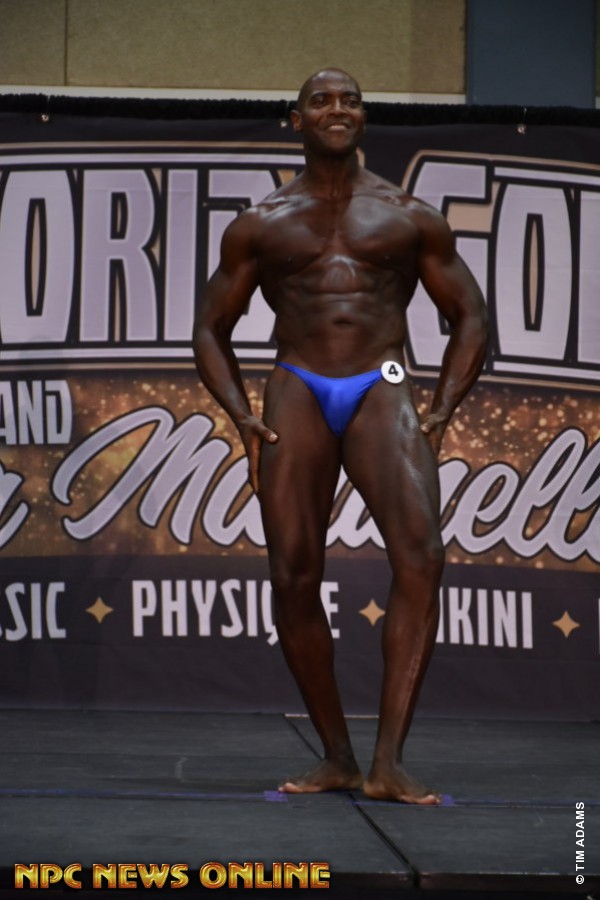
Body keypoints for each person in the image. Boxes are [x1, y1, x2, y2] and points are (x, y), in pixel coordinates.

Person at [193, 68, 488, 804]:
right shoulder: (261, 223)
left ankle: (388, 763)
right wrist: (240, 414)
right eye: (322, 100)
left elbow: (471, 316)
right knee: (293, 575)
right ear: (295, 119)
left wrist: (443, 408)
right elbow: (209, 328)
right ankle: (336, 756)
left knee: (422, 557)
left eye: (351, 101)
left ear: (363, 118)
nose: (338, 109)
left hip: (380, 383)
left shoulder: (408, 215)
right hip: (296, 385)